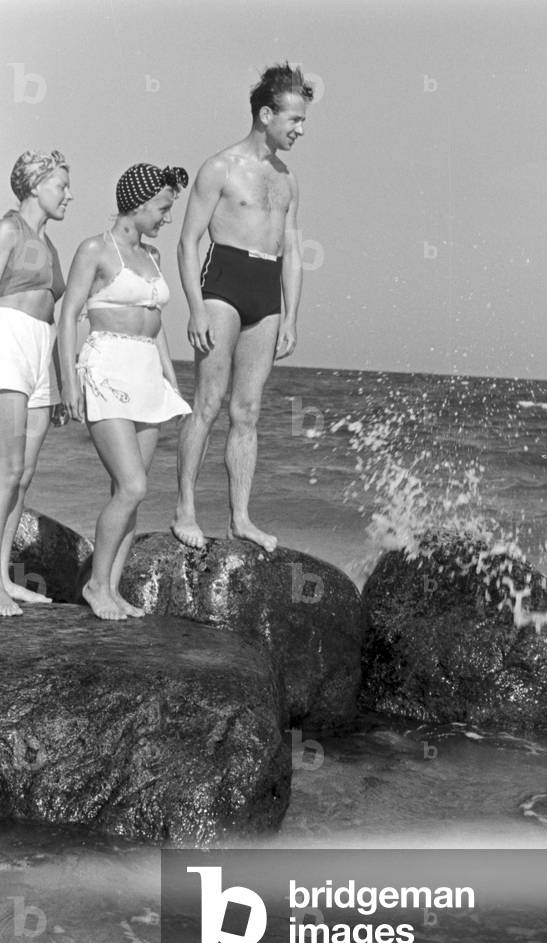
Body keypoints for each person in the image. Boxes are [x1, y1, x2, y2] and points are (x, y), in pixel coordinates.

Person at [172, 62, 314, 553]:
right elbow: (188, 242)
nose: (300, 129)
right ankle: (185, 510)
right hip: (223, 285)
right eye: (293, 120)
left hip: (266, 288)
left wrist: (291, 316)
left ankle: (240, 518)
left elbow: (293, 252)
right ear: (266, 113)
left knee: (247, 410)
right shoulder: (220, 167)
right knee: (208, 402)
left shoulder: (287, 178)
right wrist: (194, 306)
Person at [59, 163, 191, 621]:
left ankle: (112, 589)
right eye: (162, 207)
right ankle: (96, 585)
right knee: (134, 486)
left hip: (147, 374)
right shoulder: (95, 249)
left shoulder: (152, 254)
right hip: (106, 370)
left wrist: (170, 376)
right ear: (138, 203)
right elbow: (69, 315)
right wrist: (67, 380)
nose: (166, 217)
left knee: (129, 488)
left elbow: (156, 326)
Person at [0, 150, 72, 617]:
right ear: (33, 185)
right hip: (7, 339)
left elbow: (58, 314)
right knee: (5, 470)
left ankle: (4, 577)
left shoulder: (51, 247)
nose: (69, 193)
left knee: (23, 476)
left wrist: (63, 382)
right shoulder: (8, 230)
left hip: (40, 352)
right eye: (61, 185)